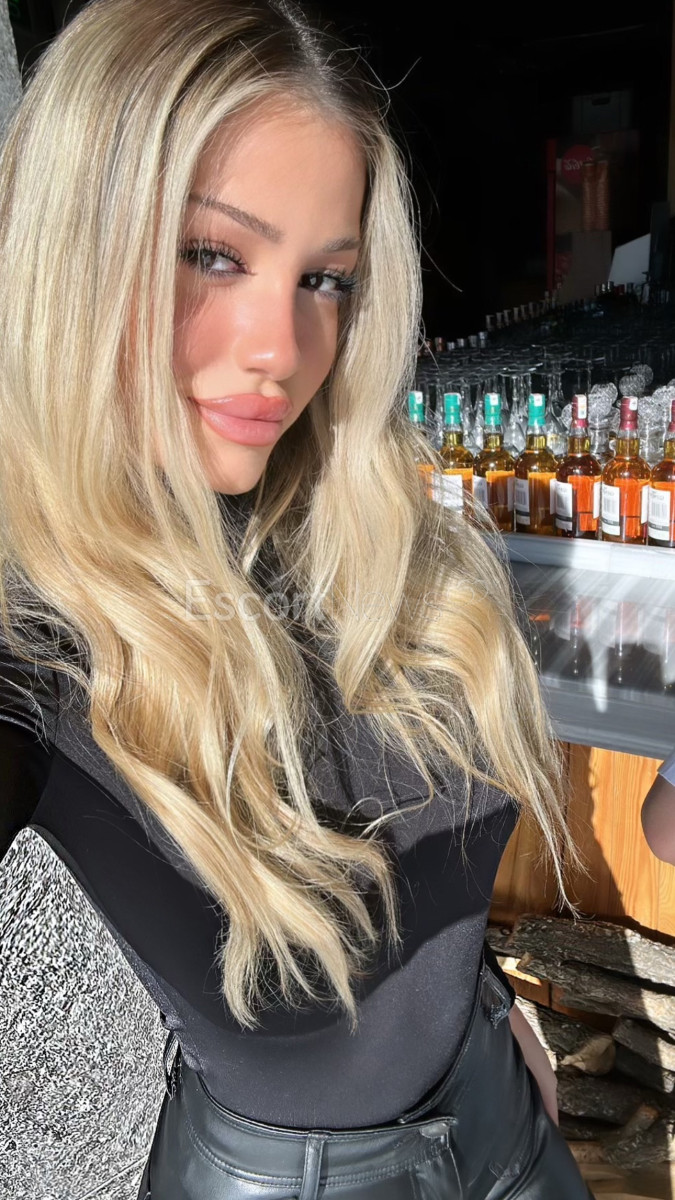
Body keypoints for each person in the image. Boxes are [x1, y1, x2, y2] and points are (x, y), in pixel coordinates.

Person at [0, 1, 594, 1196]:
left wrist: (476, 1006)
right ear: (76, 242)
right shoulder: (37, 622)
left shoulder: (347, 525)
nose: (283, 347)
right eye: (213, 254)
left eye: (325, 277)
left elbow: (408, 848)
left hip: (507, 1119)